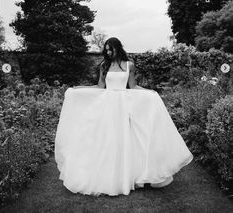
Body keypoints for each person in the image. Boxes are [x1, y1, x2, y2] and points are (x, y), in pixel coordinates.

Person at [54, 37, 193, 196]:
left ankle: (129, 174)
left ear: (117, 48)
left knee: (125, 138)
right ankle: (105, 173)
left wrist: (149, 92)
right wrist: (80, 88)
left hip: (123, 105)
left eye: (110, 49)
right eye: (106, 49)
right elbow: (100, 86)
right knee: (107, 138)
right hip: (107, 105)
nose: (107, 52)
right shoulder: (104, 65)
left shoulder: (129, 65)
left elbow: (132, 86)